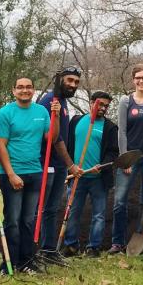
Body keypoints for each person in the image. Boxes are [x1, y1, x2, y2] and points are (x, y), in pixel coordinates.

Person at [0, 77, 53, 274]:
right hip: (12, 174)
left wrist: (57, 116)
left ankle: (27, 261)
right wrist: (10, 174)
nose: (24, 90)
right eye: (20, 87)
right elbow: (0, 144)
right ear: (14, 90)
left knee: (29, 220)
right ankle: (9, 263)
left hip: (35, 172)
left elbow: (51, 137)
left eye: (28, 87)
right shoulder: (6, 113)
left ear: (34, 90)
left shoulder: (42, 112)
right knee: (12, 220)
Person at [110, 63, 143, 254]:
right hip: (131, 156)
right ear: (133, 80)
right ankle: (117, 242)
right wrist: (125, 159)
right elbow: (122, 131)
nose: (141, 81)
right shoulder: (126, 101)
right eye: (138, 77)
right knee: (120, 201)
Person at [61, 91, 119, 256]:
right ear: (91, 102)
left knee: (99, 215)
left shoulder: (110, 127)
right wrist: (70, 167)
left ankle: (93, 247)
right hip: (77, 177)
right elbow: (67, 145)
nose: (103, 108)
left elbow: (113, 153)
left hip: (98, 179)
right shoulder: (76, 121)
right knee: (73, 212)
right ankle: (71, 245)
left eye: (106, 106)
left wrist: (101, 165)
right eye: (100, 104)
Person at [36, 66, 83, 258]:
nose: (73, 85)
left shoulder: (62, 102)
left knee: (52, 209)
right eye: (69, 80)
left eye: (76, 82)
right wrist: (71, 164)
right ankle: (35, 249)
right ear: (59, 79)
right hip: (46, 163)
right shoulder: (49, 101)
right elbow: (54, 139)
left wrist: (67, 165)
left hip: (59, 165)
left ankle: (49, 249)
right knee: (41, 208)